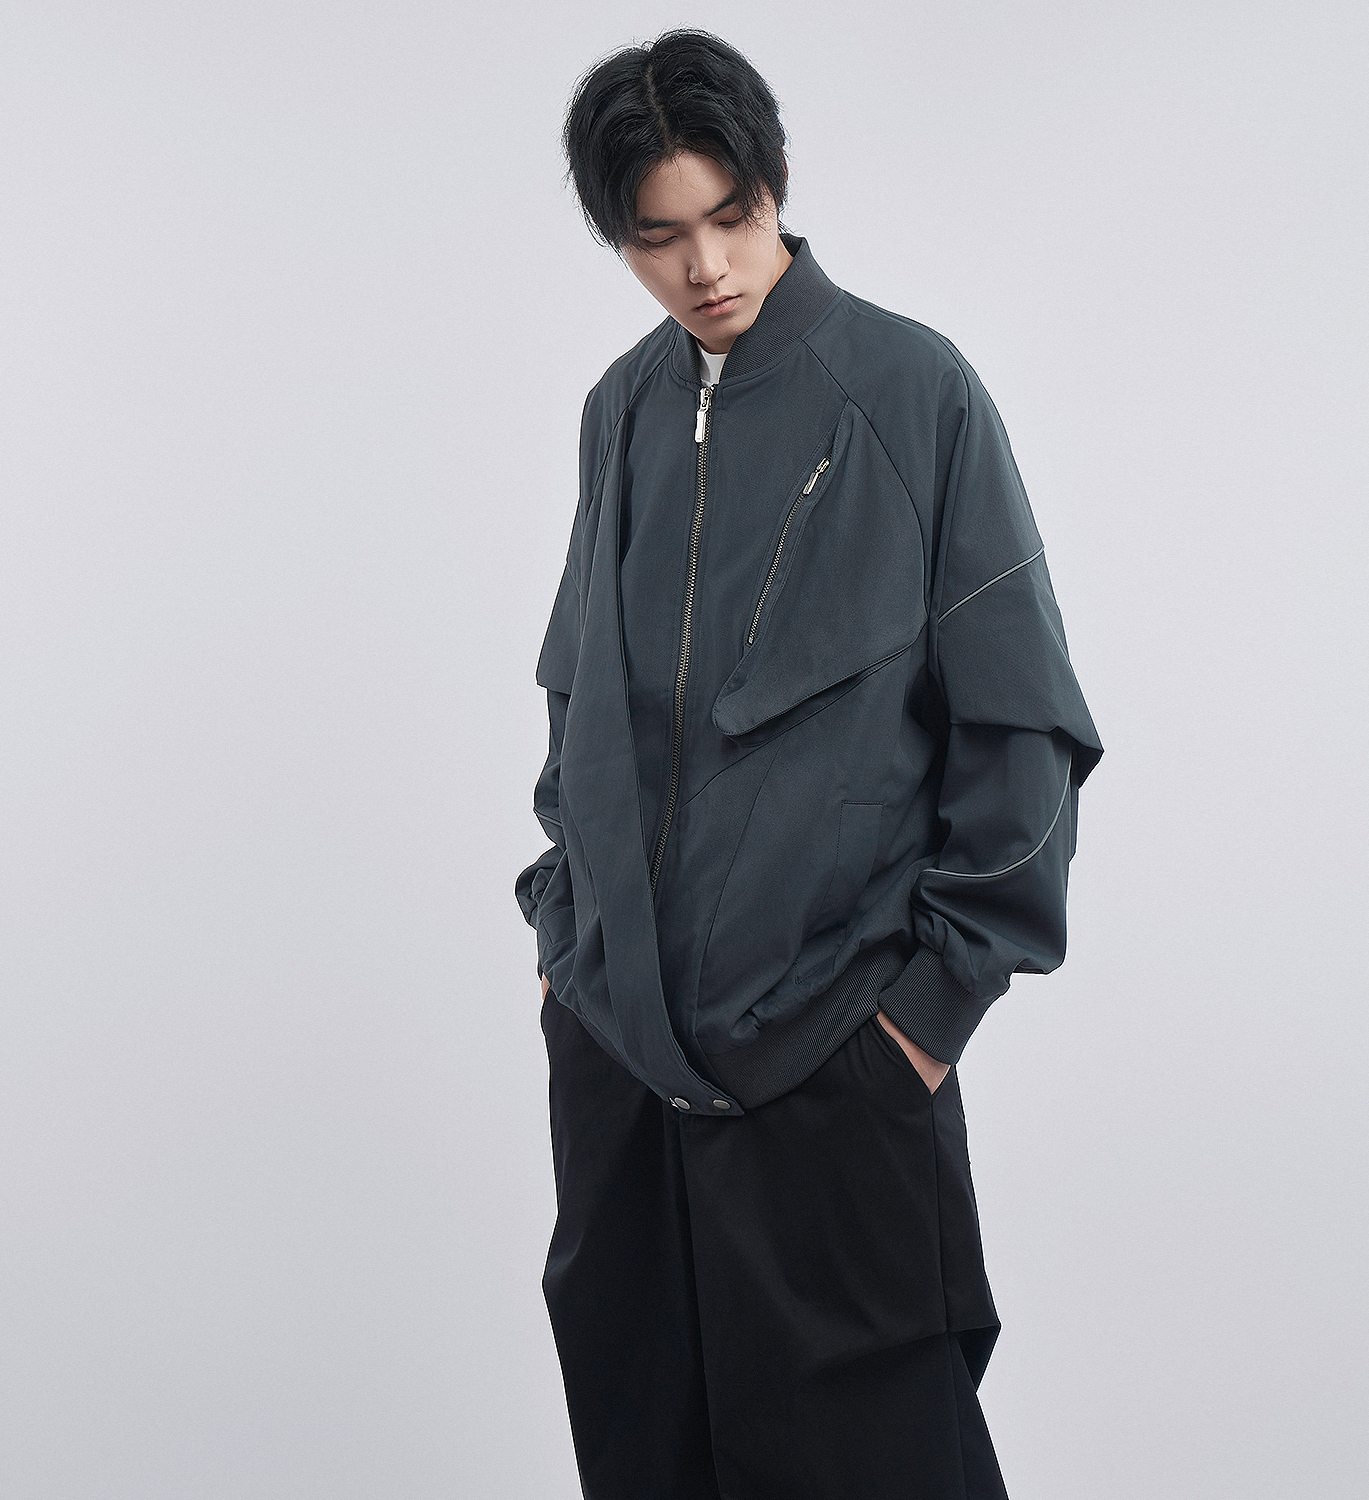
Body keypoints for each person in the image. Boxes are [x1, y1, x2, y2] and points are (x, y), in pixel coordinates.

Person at [514, 28, 1103, 1500]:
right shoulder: (621, 412)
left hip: (837, 1061)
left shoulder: (913, 391)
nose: (706, 266)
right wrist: (565, 946)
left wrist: (926, 1014)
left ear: (775, 183)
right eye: (659, 237)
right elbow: (581, 702)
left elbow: (1022, 724)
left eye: (731, 215)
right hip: (623, 1069)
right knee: (649, 1456)